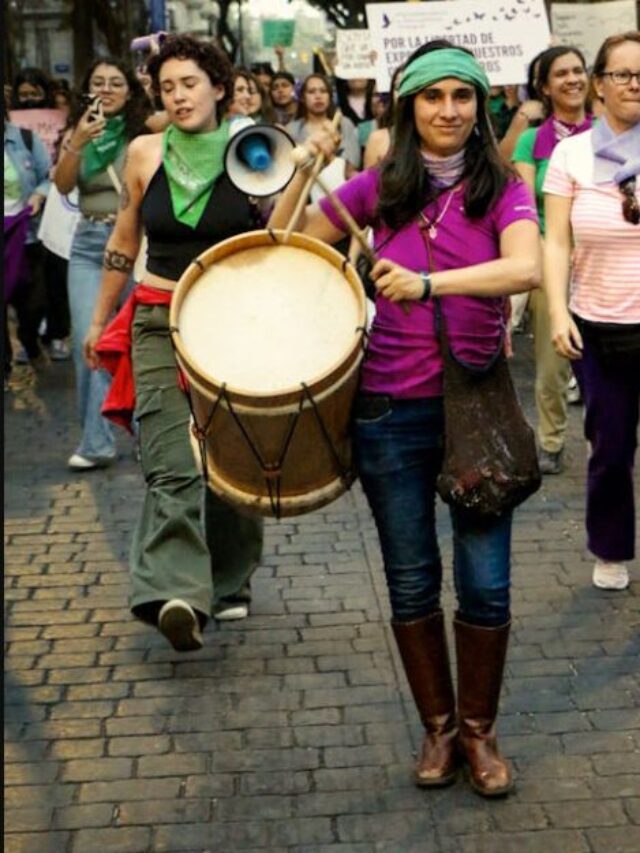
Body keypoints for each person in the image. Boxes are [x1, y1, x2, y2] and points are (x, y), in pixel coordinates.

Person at [269, 40, 540, 797]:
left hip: (475, 406)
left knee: (486, 586)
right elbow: (289, 248)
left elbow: (524, 267)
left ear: (480, 106)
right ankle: (441, 728)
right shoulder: (376, 187)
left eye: (463, 95)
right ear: (407, 104)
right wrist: (300, 167)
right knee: (412, 579)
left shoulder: (503, 187)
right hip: (389, 409)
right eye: (433, 95)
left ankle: (481, 732)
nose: (449, 109)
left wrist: (429, 283)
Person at [83, 34, 264, 650]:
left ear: (218, 85)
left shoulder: (255, 148)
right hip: (158, 317)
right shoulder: (143, 152)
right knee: (171, 458)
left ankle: (230, 579)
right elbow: (125, 241)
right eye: (167, 87)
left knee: (234, 456)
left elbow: (282, 234)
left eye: (190, 83)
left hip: (234, 321)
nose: (179, 96)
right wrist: (100, 317)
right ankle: (178, 593)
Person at [543, 32, 640, 592]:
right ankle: (610, 548)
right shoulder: (571, 154)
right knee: (611, 447)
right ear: (600, 85)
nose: (632, 84)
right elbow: (555, 242)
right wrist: (558, 314)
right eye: (621, 74)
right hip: (597, 329)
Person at [54, 57, 152, 470]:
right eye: (99, 82)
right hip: (89, 245)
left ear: (130, 91)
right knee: (87, 342)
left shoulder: (144, 128)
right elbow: (62, 184)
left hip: (137, 245)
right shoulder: (79, 132)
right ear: (88, 89)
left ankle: (151, 437)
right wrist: (77, 140)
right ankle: (96, 442)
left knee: (141, 344)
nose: (107, 89)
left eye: (116, 83)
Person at [512, 46, 592, 475]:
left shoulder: (611, 132)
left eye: (579, 70)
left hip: (607, 259)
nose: (572, 79)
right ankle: (551, 439)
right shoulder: (532, 141)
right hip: (552, 258)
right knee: (553, 358)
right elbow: (526, 206)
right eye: (561, 73)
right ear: (544, 86)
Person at [4, 100, 51, 379]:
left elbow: (48, 177)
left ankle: (30, 339)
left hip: (26, 235)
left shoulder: (25, 139)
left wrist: (39, 194)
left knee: (33, 303)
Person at [288, 73, 361, 179]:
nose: (318, 96)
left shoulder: (344, 124)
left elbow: (351, 167)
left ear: (330, 96)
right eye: (311, 92)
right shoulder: (292, 129)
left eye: (323, 91)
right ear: (303, 98)